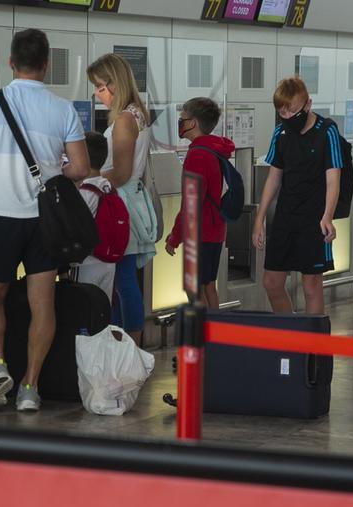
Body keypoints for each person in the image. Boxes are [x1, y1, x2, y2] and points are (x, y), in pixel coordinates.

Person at [0, 28, 90, 412]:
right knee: (42, 303)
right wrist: (51, 173)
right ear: (47, 65)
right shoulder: (62, 108)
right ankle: (30, 386)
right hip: (44, 222)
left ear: (11, 62)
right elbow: (80, 167)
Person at [253, 76, 342, 315]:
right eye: (282, 112)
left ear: (308, 104)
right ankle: (291, 338)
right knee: (271, 282)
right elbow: (274, 177)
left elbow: (333, 179)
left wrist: (327, 216)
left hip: (314, 217)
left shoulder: (327, 131)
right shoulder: (280, 133)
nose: (288, 117)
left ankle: (313, 347)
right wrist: (259, 219)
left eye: (293, 111)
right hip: (285, 215)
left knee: (311, 284)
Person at [87, 53, 157, 344]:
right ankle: (121, 342)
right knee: (122, 279)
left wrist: (90, 183)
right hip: (128, 202)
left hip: (121, 203)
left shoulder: (125, 119)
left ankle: (127, 344)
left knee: (123, 280)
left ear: (115, 84)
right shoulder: (136, 113)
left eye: (101, 86)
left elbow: (123, 171)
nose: (97, 93)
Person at [165, 97, 235, 308]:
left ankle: (204, 336)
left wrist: (175, 237)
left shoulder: (197, 155)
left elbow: (190, 205)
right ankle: (216, 336)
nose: (180, 123)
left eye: (182, 119)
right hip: (215, 230)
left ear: (193, 123)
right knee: (208, 286)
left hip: (200, 233)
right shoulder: (215, 149)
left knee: (193, 287)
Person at [74, 131, 117, 301]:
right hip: (108, 262)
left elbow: (75, 229)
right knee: (102, 310)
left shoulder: (84, 193)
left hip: (86, 263)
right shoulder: (108, 187)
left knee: (83, 310)